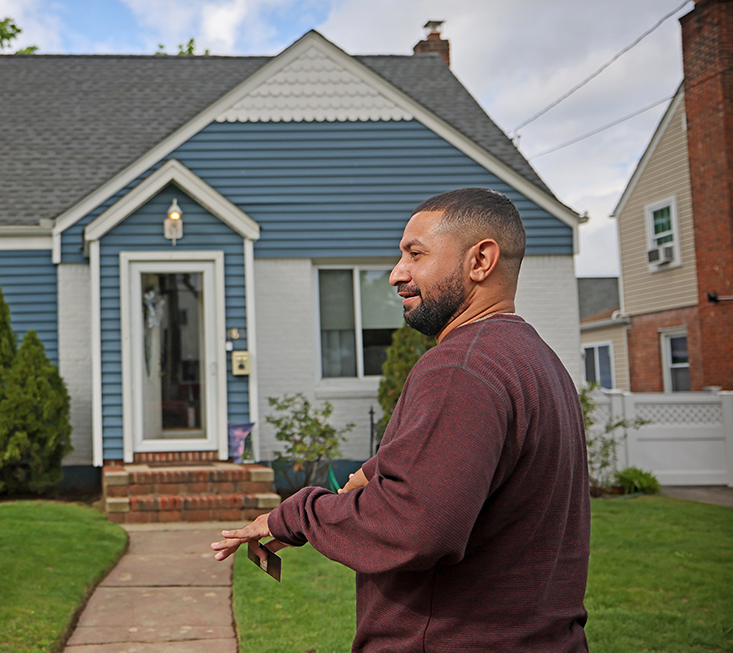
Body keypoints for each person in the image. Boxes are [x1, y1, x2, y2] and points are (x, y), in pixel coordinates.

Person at [213, 188, 590, 652]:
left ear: (481, 261)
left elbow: (415, 527)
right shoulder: (535, 360)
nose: (396, 274)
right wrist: (379, 470)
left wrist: (296, 515)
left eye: (416, 254)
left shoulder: (460, 367)